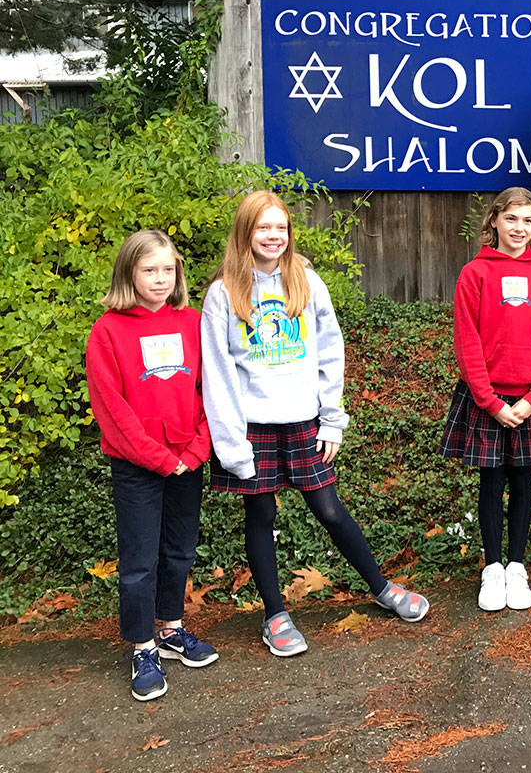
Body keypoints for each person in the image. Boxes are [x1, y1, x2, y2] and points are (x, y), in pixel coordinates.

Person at [203, 191, 428, 657]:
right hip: (252, 427)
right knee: (260, 515)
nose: (273, 236)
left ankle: (381, 587)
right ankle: (275, 614)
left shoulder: (305, 280)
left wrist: (332, 420)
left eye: (280, 228)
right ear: (245, 232)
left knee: (329, 509)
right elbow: (218, 374)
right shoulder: (224, 291)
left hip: (304, 419)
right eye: (263, 228)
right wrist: (231, 446)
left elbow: (330, 350)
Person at [86, 230, 214, 700]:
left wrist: (197, 449)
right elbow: (112, 408)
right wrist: (160, 459)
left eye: (168, 269)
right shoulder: (108, 331)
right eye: (149, 270)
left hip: (187, 458)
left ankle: (172, 628)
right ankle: (143, 646)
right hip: (139, 465)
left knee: (179, 550)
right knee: (139, 561)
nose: (160, 279)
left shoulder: (193, 322)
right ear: (129, 273)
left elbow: (208, 390)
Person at [439, 187, 531, 612]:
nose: (519, 228)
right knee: (491, 483)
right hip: (488, 399)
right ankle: (492, 566)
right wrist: (490, 401)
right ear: (494, 221)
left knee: (523, 482)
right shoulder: (474, 274)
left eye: (528, 221)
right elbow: (467, 342)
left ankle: (517, 566)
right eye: (511, 219)